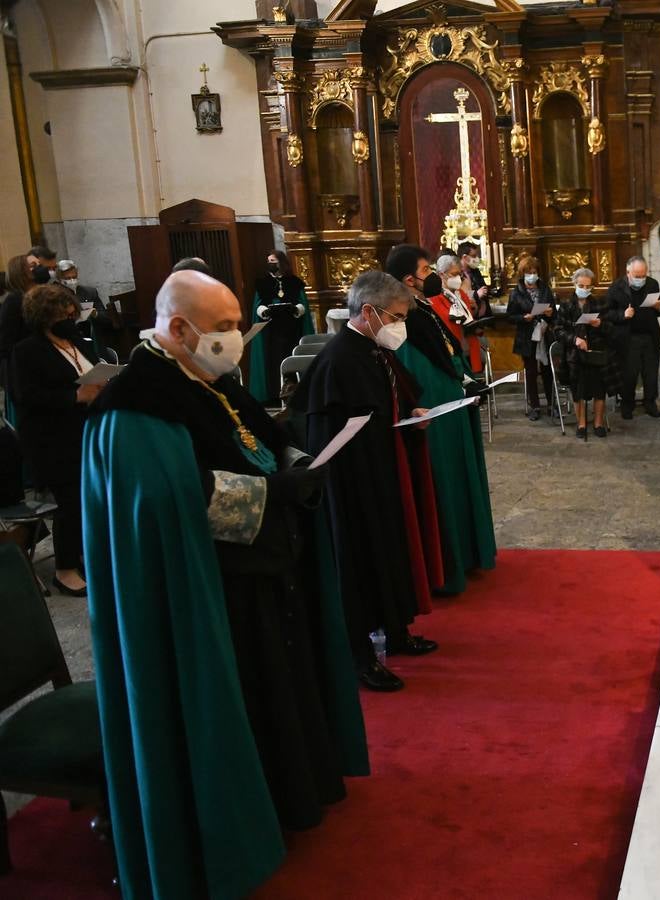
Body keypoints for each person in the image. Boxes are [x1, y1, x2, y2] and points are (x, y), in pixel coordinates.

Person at [81, 270, 369, 898]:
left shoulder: (209, 379)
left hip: (259, 575)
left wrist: (294, 457)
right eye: (225, 328)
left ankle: (284, 795)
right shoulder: (135, 406)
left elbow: (256, 440)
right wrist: (273, 493)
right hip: (204, 593)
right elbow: (169, 502)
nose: (237, 338)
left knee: (275, 690)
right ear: (178, 329)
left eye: (238, 324)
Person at [291, 270, 440, 692]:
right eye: (396, 316)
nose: (400, 326)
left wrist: (408, 415)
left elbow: (384, 405)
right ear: (370, 312)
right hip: (352, 485)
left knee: (390, 553)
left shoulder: (372, 348)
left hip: (381, 473)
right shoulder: (339, 358)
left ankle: (397, 631)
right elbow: (329, 433)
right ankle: (360, 657)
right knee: (360, 564)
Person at [389, 244, 496, 593]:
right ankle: (446, 565)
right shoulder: (400, 315)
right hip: (433, 406)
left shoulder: (423, 307)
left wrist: (465, 378)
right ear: (408, 279)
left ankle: (467, 553)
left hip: (451, 395)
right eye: (426, 270)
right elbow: (415, 365)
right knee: (442, 477)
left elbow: (446, 349)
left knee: (457, 472)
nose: (433, 275)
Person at [11, 285, 101, 595]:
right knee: (71, 502)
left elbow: (92, 371)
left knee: (91, 498)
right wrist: (75, 396)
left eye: (72, 309)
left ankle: (85, 556)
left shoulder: (77, 341)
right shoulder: (26, 351)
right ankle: (64, 570)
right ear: (44, 315)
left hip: (86, 432)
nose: (71, 315)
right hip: (51, 440)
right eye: (63, 311)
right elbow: (26, 396)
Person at [558, 267, 621, 439]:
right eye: (581, 285)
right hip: (575, 355)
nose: (584, 289)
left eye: (588, 286)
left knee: (599, 389)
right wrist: (575, 339)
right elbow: (558, 330)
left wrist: (600, 324)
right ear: (574, 284)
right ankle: (581, 423)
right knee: (578, 391)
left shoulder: (600, 303)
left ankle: (598, 422)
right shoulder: (565, 304)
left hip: (597, 352)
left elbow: (611, 329)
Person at [248, 250, 314, 403]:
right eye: (268, 261)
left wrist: (297, 308)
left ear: (281, 263)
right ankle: (274, 394)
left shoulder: (294, 281)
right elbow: (258, 305)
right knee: (273, 360)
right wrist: (264, 311)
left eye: (273, 261)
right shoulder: (262, 282)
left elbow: (302, 302)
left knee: (291, 355)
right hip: (271, 331)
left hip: (292, 328)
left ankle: (297, 393)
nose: (270, 264)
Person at [606, 255, 660, 419]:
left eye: (643, 275)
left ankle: (650, 403)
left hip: (650, 337)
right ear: (628, 272)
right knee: (629, 374)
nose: (641, 279)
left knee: (651, 373)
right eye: (637, 276)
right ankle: (627, 404)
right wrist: (622, 315)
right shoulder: (616, 287)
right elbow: (607, 313)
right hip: (628, 338)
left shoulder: (652, 284)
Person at [507, 255, 558, 421]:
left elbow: (554, 313)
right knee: (530, 372)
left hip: (544, 333)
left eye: (534, 272)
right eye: (529, 272)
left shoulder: (545, 289)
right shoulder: (516, 293)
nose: (532, 275)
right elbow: (510, 316)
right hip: (526, 335)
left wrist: (550, 313)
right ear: (522, 274)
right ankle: (534, 405)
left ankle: (551, 404)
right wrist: (523, 318)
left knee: (547, 371)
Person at [55, 259, 122, 357]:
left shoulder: (89, 292)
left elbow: (106, 319)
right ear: (60, 279)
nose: (72, 281)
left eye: (74, 277)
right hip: (71, 342)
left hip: (94, 339)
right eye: (68, 278)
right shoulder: (56, 295)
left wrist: (95, 314)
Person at [433, 253, 485, 374]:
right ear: (442, 274)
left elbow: (469, 316)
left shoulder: (461, 293)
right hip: (454, 348)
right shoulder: (436, 297)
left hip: (469, 344)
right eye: (454, 274)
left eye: (460, 274)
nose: (458, 278)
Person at [0, 255, 36, 422]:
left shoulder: (27, 295)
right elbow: (6, 340)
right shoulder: (13, 300)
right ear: (20, 272)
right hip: (19, 366)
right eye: (29, 267)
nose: (33, 269)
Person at [457, 240, 492, 317]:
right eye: (473, 256)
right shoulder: (456, 273)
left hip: (483, 315)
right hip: (469, 316)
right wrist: (476, 294)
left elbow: (483, 289)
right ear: (465, 257)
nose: (477, 258)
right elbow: (458, 295)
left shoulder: (475, 271)